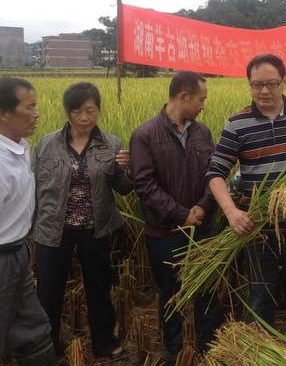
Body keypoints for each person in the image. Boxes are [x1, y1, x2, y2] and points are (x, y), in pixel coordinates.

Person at [207, 53, 286, 350]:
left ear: (284, 82)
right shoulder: (237, 123)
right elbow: (215, 173)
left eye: (271, 84)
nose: (264, 91)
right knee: (260, 294)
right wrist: (231, 212)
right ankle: (260, 352)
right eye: (257, 85)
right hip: (257, 225)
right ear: (249, 85)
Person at [32, 82, 132, 361]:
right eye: (77, 111)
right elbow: (34, 189)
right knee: (49, 291)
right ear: (68, 113)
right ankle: (48, 345)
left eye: (90, 110)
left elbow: (122, 188)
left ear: (98, 110)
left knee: (99, 287)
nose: (85, 117)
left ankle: (104, 343)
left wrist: (128, 169)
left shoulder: (111, 144)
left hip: (95, 228)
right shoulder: (46, 145)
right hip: (54, 230)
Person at [129, 71, 223, 364]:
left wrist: (204, 207)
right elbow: (145, 186)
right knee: (171, 292)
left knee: (206, 289)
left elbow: (215, 175)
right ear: (184, 97)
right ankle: (173, 349)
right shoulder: (145, 135)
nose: (203, 105)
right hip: (165, 232)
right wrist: (182, 214)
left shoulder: (202, 132)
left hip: (202, 227)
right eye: (201, 99)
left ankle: (210, 346)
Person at [0, 77, 56, 366]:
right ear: (4, 113)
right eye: (30, 107)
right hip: (2, 259)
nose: (37, 114)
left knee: (33, 330)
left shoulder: (19, 148)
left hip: (16, 253)